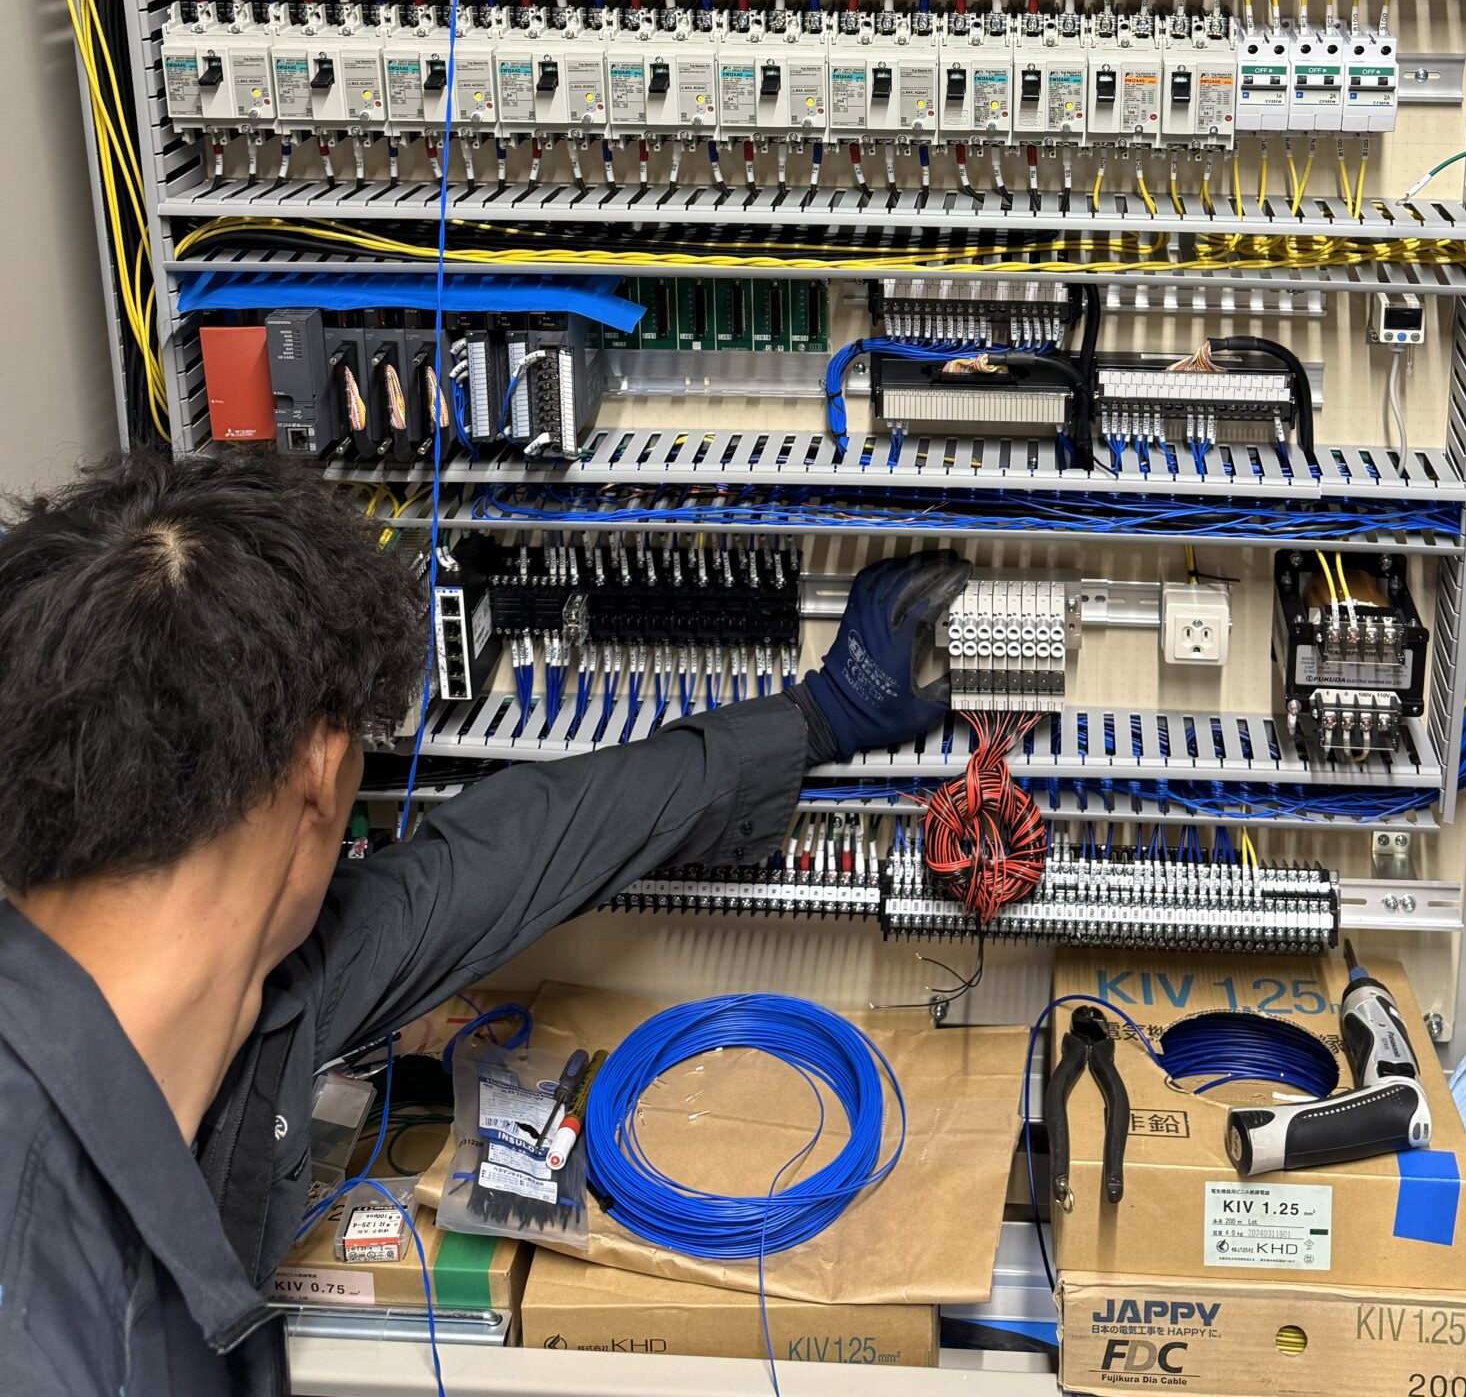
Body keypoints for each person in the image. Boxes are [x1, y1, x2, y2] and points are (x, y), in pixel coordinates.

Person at [0, 448, 966, 1395]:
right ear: (323, 773)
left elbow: (506, 855)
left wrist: (816, 718)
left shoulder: (250, 979)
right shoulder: (47, 1324)